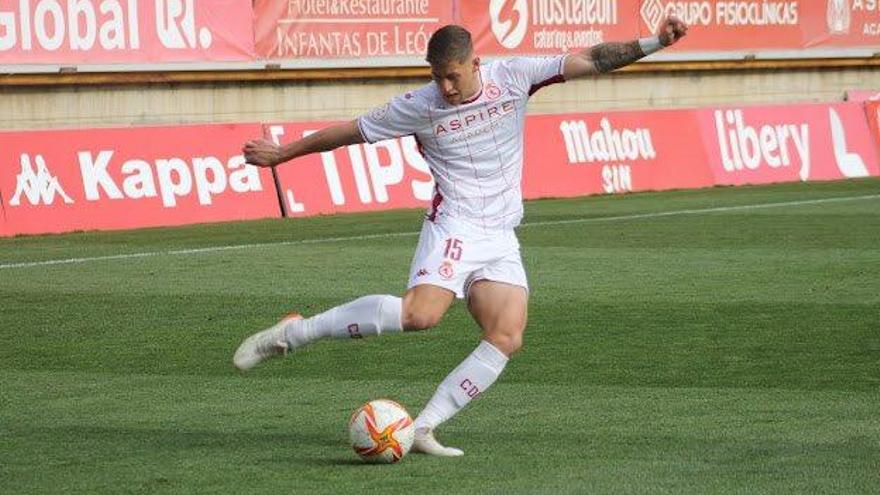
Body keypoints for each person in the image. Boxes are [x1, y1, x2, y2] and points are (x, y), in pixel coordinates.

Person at [234, 17, 688, 457]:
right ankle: (295, 333)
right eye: (437, 78)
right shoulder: (420, 104)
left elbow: (590, 58)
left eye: (452, 77)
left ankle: (425, 424)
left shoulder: (513, 77)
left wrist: (654, 43)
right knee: (420, 316)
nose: (445, 88)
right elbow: (349, 132)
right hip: (454, 224)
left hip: (501, 233)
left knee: (507, 335)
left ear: (475, 63)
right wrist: (283, 154)